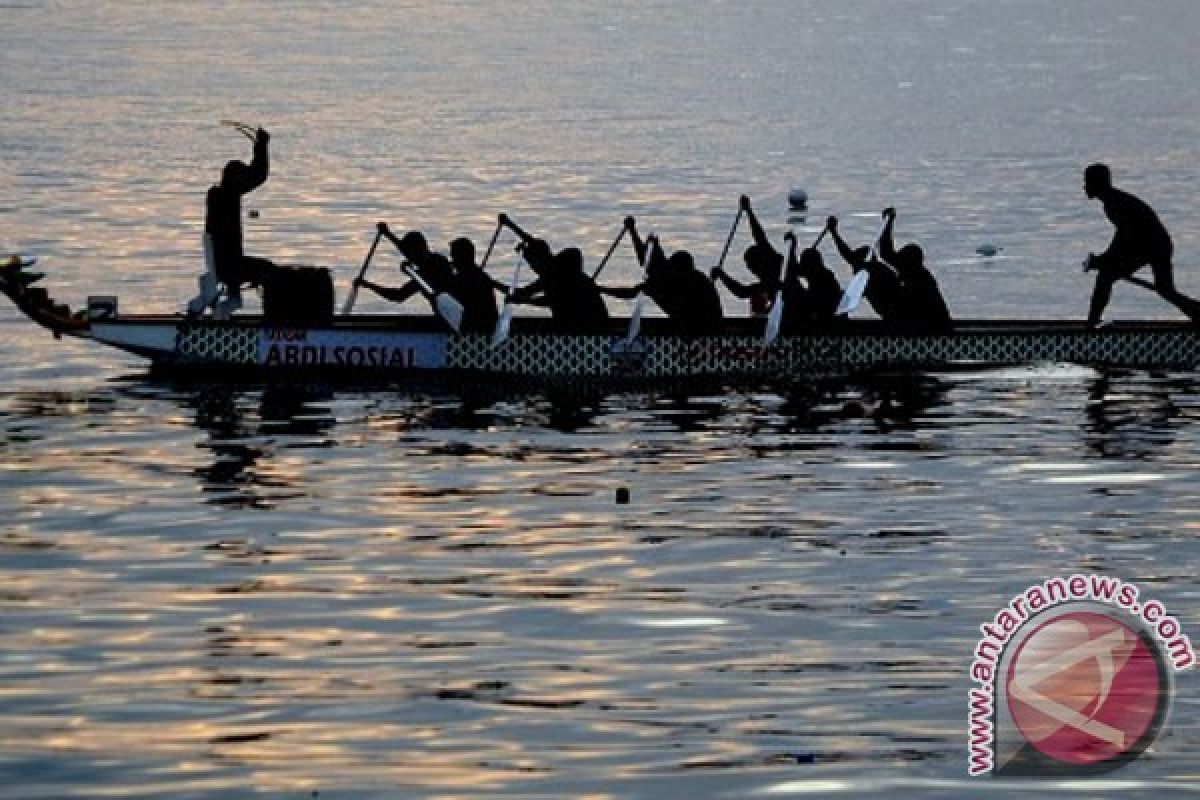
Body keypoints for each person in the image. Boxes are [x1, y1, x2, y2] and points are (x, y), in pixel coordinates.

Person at [1083, 163, 1197, 326]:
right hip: (1146, 245)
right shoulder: (1112, 201)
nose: (1084, 187)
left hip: (1155, 246)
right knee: (1164, 289)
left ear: (1098, 183)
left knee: (1161, 288)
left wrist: (1104, 260)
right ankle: (1092, 322)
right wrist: (1106, 259)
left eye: (1088, 182)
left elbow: (1125, 237)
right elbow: (1125, 238)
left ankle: (1091, 324)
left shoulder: (1115, 203)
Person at [597, 217, 724, 335]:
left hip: (705, 332)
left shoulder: (683, 281)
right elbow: (645, 259)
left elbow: (631, 292)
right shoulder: (667, 274)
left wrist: (601, 290)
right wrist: (632, 231)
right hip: (693, 326)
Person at [499, 213, 611, 332]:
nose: (532, 268)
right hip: (573, 325)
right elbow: (523, 292)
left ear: (541, 260)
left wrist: (522, 300)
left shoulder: (561, 275)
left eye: (532, 264)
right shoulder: (548, 272)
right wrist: (510, 225)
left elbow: (551, 301)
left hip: (587, 330)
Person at [205, 126, 276, 302]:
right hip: (230, 266)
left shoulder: (219, 195)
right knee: (271, 272)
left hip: (226, 263)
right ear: (236, 179)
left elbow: (255, 176)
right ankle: (277, 322)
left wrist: (260, 147)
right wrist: (261, 147)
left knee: (267, 269)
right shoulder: (227, 197)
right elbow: (258, 176)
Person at [354, 225, 457, 317]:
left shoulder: (425, 273)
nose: (407, 258)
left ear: (416, 253)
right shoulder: (436, 259)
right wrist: (387, 233)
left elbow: (398, 296)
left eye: (409, 255)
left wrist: (368, 285)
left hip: (451, 317)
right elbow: (406, 250)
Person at [879, 207, 952, 332]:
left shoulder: (921, 282)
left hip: (935, 332)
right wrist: (889, 222)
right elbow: (886, 253)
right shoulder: (912, 272)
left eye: (901, 261)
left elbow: (911, 310)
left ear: (910, 264)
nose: (898, 266)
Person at [825, 215, 906, 324]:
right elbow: (848, 255)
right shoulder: (872, 269)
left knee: (837, 300)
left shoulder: (871, 272)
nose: (853, 267)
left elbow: (848, 255)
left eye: (854, 264)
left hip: (899, 317)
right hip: (892, 315)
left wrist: (834, 232)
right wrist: (834, 232)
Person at [711, 195, 783, 316]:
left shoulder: (774, 265)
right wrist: (721, 275)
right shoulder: (765, 282)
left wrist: (749, 211)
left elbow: (760, 237)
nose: (750, 270)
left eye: (751, 265)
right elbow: (742, 292)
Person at [447, 237, 505, 333]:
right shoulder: (479, 276)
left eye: (454, 257)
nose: (452, 261)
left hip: (478, 330)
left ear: (462, 257)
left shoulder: (467, 278)